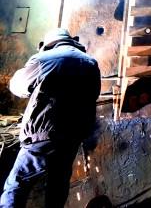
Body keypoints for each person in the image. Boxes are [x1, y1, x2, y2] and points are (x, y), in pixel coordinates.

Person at [1, 28, 101, 207]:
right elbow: (93, 94)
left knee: (17, 185)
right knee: (57, 187)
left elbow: (17, 87)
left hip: (42, 135)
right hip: (72, 137)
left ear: (48, 44)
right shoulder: (90, 62)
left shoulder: (43, 58)